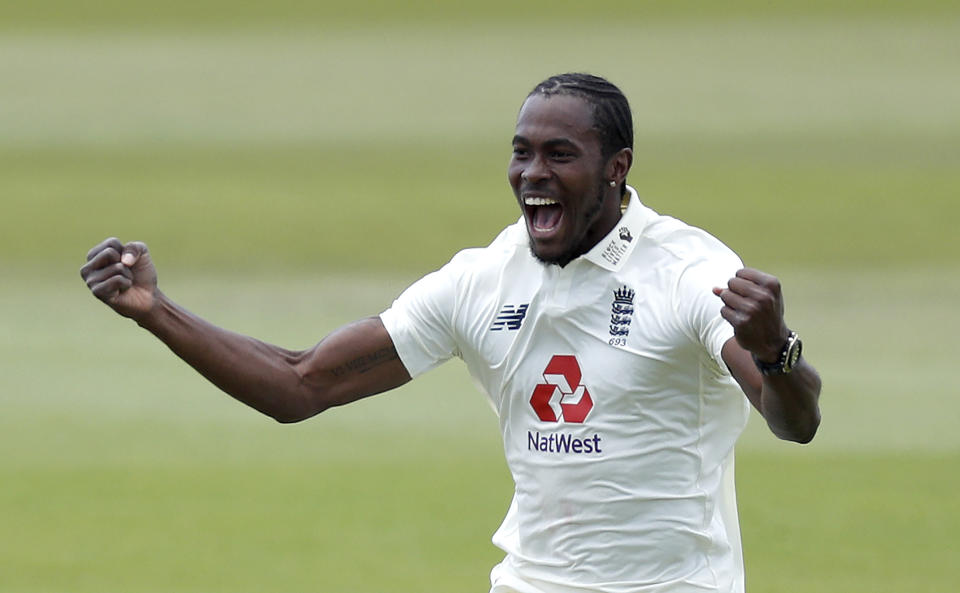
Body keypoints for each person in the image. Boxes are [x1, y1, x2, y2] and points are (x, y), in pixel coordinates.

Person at [81, 72, 821, 593]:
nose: (532, 172)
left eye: (559, 154)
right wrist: (158, 311)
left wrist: (775, 351)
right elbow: (299, 385)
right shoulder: (483, 279)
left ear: (617, 169)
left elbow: (793, 420)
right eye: (521, 151)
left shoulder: (688, 271)